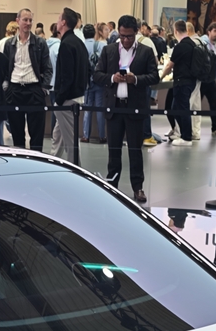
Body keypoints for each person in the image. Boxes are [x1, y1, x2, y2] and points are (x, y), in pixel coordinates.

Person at [94, 14, 159, 203]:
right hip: (114, 108)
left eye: (129, 36)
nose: (125, 40)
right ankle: (112, 185)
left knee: (135, 150)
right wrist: (112, 78)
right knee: (113, 150)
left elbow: (154, 77)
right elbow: (97, 75)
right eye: (122, 36)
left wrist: (135, 79)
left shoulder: (146, 52)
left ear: (136, 33)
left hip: (134, 108)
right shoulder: (108, 50)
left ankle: (138, 188)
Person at [3, 9, 52, 152]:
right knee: (17, 133)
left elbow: (48, 68)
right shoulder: (9, 44)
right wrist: (6, 86)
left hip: (34, 90)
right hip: (15, 90)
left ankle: (36, 161)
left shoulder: (40, 43)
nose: (28, 23)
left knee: (37, 134)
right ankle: (20, 161)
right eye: (25, 20)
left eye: (30, 20)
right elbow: (5, 67)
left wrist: (44, 87)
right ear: (17, 21)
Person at [51, 8, 88, 162]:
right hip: (76, 96)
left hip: (68, 100)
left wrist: (59, 100)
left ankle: (75, 169)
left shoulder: (66, 44)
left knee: (70, 142)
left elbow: (67, 76)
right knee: (58, 136)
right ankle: (53, 163)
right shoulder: (78, 43)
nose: (57, 21)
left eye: (59, 18)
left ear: (63, 23)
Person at [161, 19, 200, 145]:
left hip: (182, 82)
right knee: (175, 108)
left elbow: (169, 66)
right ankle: (184, 134)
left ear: (175, 31)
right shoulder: (192, 44)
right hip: (191, 81)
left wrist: (160, 77)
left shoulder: (180, 46)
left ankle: (186, 137)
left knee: (182, 109)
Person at [81, 24, 107, 144]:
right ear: (94, 33)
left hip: (86, 81)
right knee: (100, 109)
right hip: (99, 80)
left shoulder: (81, 45)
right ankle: (102, 136)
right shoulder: (101, 45)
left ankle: (86, 135)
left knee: (87, 108)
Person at [200, 22, 216, 133]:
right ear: (209, 31)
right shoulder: (203, 43)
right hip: (202, 80)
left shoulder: (214, 46)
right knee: (195, 105)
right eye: (214, 31)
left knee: (214, 104)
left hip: (211, 80)